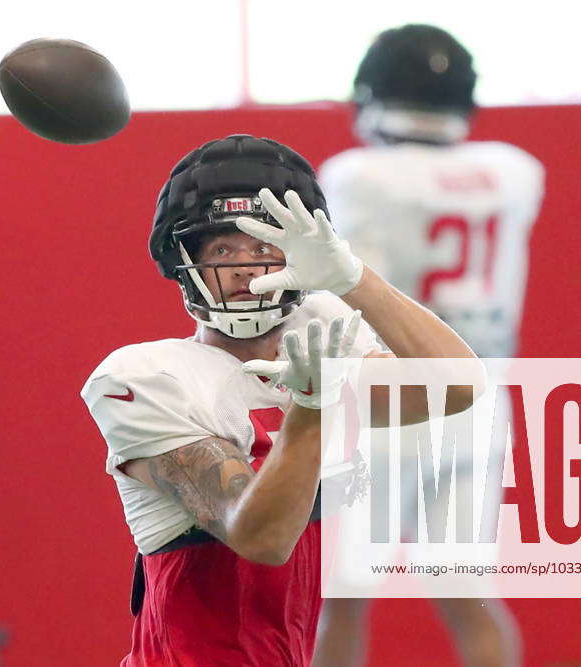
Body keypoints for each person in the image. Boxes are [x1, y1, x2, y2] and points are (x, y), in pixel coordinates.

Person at [81, 134, 477, 666]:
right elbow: (259, 537)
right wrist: (312, 409)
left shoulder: (320, 334)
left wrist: (352, 278)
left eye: (264, 247)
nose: (245, 267)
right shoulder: (149, 377)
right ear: (182, 261)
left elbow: (455, 388)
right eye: (222, 249)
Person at [314, 24, 546, 667]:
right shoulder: (515, 173)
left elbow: (347, 291)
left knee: (339, 597)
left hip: (383, 410)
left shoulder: (359, 177)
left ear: (373, 96)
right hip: (477, 405)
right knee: (468, 596)